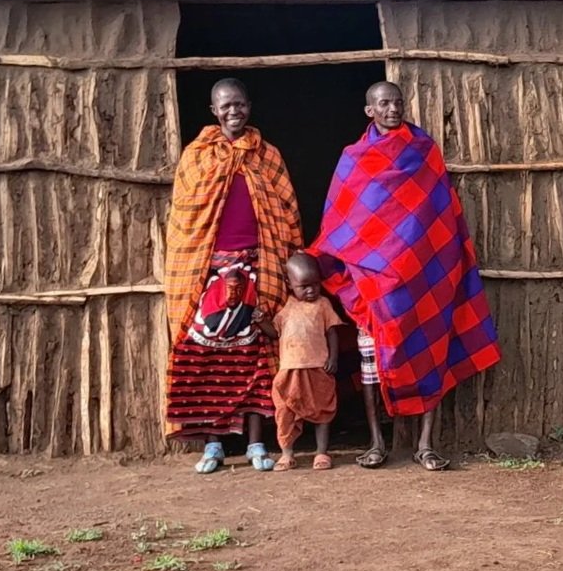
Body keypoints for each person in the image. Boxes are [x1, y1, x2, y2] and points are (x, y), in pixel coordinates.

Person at [311, 81, 501, 471]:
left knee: (431, 354)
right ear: (369, 110)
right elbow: (342, 223)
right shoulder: (354, 158)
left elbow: (439, 212)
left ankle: (426, 445)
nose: (393, 109)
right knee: (371, 366)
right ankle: (376, 442)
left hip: (423, 276)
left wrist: (431, 260)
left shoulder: (423, 151)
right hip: (373, 285)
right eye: (384, 103)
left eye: (398, 102)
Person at [165, 77, 302, 473]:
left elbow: (287, 211)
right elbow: (184, 217)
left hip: (259, 267)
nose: (233, 111)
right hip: (208, 272)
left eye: (239, 104)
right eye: (225, 106)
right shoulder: (196, 156)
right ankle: (213, 445)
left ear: (249, 106)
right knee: (206, 359)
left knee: (254, 356)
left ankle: (256, 443)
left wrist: (286, 256)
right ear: (214, 111)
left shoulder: (267, 155)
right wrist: (207, 266)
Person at [255, 253, 343, 471]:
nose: (311, 290)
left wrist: (333, 358)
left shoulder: (323, 304)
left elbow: (332, 332)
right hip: (289, 371)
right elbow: (274, 333)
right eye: (304, 286)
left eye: (315, 284)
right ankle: (287, 453)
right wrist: (261, 321)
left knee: (323, 409)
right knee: (285, 411)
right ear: (289, 284)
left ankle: (321, 452)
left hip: (318, 367)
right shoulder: (286, 307)